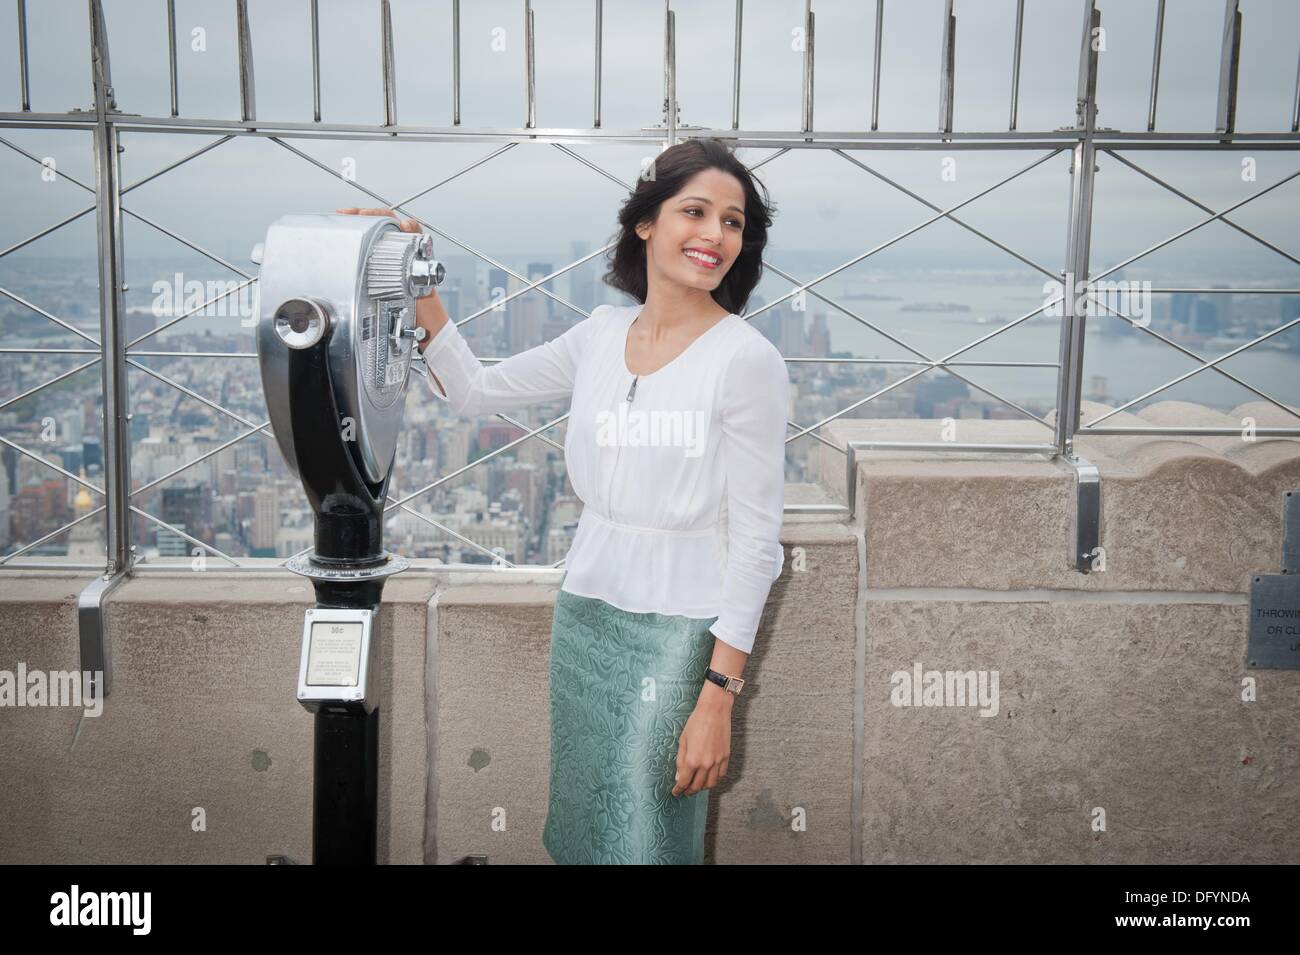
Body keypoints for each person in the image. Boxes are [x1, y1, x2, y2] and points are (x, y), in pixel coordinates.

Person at [336, 137, 788, 865]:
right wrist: (414, 272)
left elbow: (758, 542)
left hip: (679, 638)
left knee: (645, 838)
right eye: (695, 211)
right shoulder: (600, 335)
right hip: (585, 618)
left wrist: (718, 696)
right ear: (646, 222)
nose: (714, 235)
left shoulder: (747, 360)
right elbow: (475, 389)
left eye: (733, 222)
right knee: (585, 829)